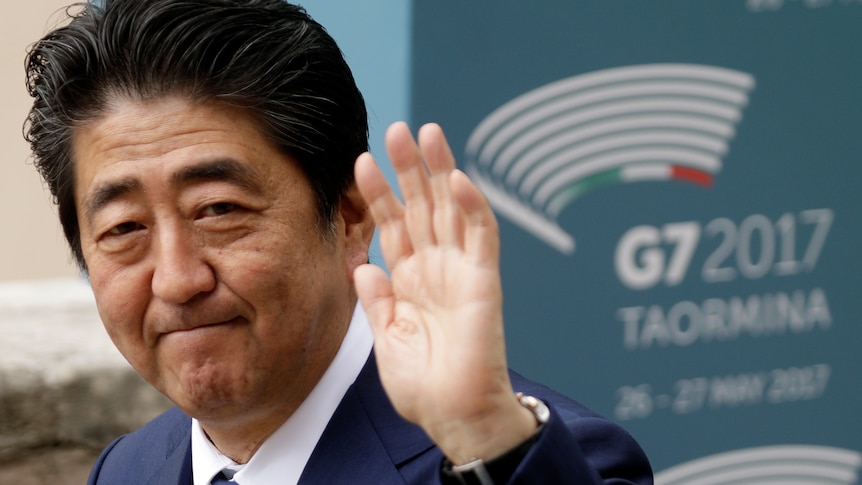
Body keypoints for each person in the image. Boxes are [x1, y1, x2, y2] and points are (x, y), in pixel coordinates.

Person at [24, 1, 653, 484]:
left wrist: (483, 431)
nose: (177, 280)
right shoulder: (129, 469)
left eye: (218, 210)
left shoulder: (525, 456)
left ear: (351, 217)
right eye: (124, 229)